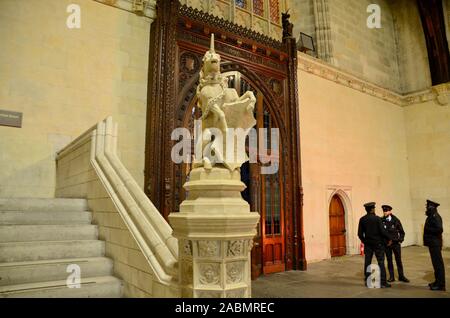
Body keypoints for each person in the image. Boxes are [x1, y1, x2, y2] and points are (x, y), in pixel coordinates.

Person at [358, 202, 392, 288]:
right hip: (378, 244)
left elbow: (360, 234)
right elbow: (383, 231)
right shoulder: (377, 219)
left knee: (367, 262)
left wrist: (365, 241)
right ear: (373, 209)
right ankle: (383, 282)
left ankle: (367, 281)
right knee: (381, 262)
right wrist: (389, 238)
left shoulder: (362, 219)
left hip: (368, 244)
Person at [381, 205, 409, 283]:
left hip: (396, 243)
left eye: (386, 211)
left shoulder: (396, 220)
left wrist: (400, 240)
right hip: (387, 244)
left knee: (398, 260)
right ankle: (391, 276)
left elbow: (402, 232)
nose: (385, 212)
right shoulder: (381, 220)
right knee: (389, 260)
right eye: (384, 211)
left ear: (390, 211)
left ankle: (401, 276)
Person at [424, 199, 446, 291]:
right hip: (432, 244)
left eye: (427, 206)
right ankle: (437, 282)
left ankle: (441, 285)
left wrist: (429, 230)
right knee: (435, 264)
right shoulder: (431, 216)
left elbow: (439, 229)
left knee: (438, 265)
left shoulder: (435, 216)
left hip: (435, 244)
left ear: (431, 207)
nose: (426, 208)